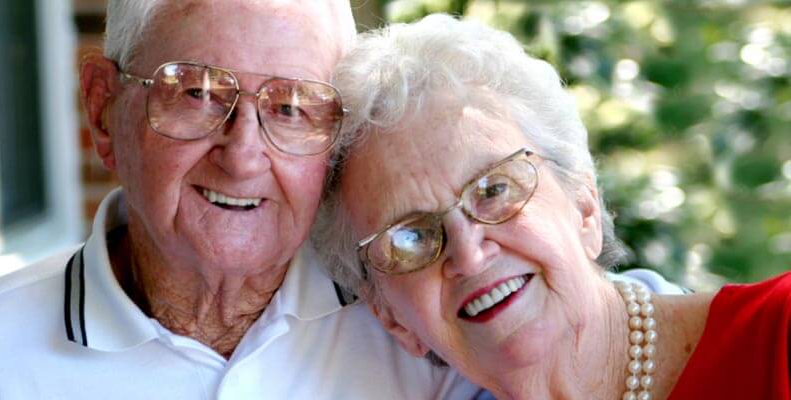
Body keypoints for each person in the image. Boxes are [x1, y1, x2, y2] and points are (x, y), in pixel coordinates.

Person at [0, 2, 487, 399]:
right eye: (197, 92)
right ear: (103, 110)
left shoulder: (413, 330)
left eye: (291, 107)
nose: (242, 154)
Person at [313, 14, 791, 400]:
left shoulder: (777, 337)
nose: (470, 253)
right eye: (411, 236)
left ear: (583, 205)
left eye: (493, 189)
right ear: (391, 318)